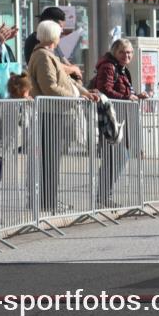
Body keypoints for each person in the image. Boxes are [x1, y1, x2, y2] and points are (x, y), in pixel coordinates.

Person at [30, 20, 98, 213]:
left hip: (57, 112)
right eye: (59, 34)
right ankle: (48, 202)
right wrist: (76, 96)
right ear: (54, 37)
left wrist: (84, 93)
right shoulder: (43, 56)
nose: (61, 38)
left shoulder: (48, 55)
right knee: (50, 161)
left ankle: (50, 200)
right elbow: (50, 87)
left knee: (53, 160)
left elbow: (66, 80)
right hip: (53, 113)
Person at [91, 39, 147, 205]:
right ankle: (103, 197)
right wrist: (126, 97)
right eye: (122, 52)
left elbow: (122, 90)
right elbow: (104, 89)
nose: (126, 55)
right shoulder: (109, 66)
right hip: (108, 118)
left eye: (129, 52)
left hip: (117, 118)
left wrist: (136, 94)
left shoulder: (121, 69)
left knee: (117, 158)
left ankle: (104, 196)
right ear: (114, 52)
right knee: (117, 157)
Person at [23, 6, 82, 81]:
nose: (62, 30)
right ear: (50, 23)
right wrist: (73, 69)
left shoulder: (51, 40)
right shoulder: (37, 40)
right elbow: (51, 66)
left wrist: (74, 69)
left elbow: (64, 61)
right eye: (60, 26)